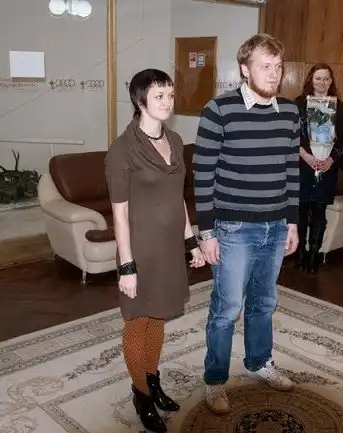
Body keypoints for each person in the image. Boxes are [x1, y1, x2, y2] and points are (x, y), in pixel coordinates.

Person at [193, 33, 300, 415]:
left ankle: (258, 362)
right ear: (244, 68)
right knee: (227, 307)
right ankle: (215, 380)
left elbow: (291, 171)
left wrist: (292, 223)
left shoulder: (289, 112)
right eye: (264, 66)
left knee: (264, 302)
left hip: (276, 225)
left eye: (278, 66)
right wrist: (206, 233)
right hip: (233, 229)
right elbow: (202, 176)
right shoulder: (218, 110)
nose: (273, 74)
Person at [105, 68, 206, 433]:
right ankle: (142, 395)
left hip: (168, 248)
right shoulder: (122, 149)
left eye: (170, 95)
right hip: (140, 250)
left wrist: (190, 241)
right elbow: (119, 214)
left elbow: (178, 198)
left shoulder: (175, 141)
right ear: (140, 100)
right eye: (159, 95)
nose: (167, 102)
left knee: (158, 316)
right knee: (138, 320)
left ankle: (152, 380)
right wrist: (127, 265)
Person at [293, 63, 343, 273]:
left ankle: (313, 257)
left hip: (326, 168)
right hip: (303, 165)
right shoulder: (299, 104)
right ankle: (299, 255)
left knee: (319, 212)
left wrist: (330, 161)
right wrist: (307, 157)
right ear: (311, 80)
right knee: (300, 212)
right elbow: (291, 136)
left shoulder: (338, 107)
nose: (322, 82)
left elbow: (342, 141)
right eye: (318, 78)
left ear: (331, 81)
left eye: (326, 79)